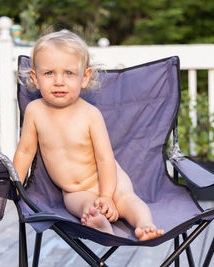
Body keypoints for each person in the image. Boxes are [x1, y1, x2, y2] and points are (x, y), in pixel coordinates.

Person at [13, 30, 164, 241]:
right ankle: (98, 221)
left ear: (85, 77)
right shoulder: (34, 111)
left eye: (69, 73)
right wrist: (15, 185)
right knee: (84, 206)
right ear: (35, 78)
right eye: (49, 73)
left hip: (108, 180)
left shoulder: (90, 115)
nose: (58, 81)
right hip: (74, 191)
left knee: (127, 200)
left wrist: (106, 195)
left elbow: (105, 159)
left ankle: (145, 225)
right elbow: (25, 151)